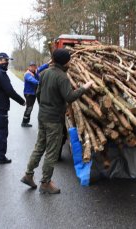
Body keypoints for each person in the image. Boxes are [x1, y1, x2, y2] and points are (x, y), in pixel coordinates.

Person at [20, 49, 93, 194]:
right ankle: (46, 183)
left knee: (39, 147)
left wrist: (45, 108)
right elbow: (70, 97)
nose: (70, 62)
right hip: (54, 120)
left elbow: (38, 94)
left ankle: (28, 174)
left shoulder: (44, 73)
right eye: (69, 60)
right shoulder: (62, 77)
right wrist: (84, 87)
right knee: (52, 152)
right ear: (65, 62)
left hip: (43, 116)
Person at [21, 61, 49, 127]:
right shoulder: (27, 74)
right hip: (29, 93)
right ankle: (24, 122)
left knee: (34, 106)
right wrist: (40, 83)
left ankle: (27, 121)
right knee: (29, 107)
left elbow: (41, 67)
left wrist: (48, 64)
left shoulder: (35, 71)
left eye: (34, 66)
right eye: (31, 66)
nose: (33, 67)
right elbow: (32, 80)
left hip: (34, 93)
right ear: (29, 67)